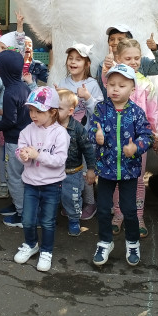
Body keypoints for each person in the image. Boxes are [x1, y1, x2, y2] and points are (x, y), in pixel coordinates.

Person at [88, 64, 153, 267]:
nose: (115, 89)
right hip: (105, 170)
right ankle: (105, 242)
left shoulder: (137, 112)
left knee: (129, 209)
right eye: (111, 84)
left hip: (129, 171)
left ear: (132, 89)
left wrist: (136, 147)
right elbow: (91, 130)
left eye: (122, 85)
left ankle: (132, 243)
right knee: (103, 208)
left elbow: (147, 136)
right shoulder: (100, 109)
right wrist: (96, 136)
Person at [101, 38, 158, 238]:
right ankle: (119, 214)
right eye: (128, 58)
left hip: (138, 142)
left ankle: (137, 216)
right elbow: (105, 80)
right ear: (118, 59)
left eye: (137, 58)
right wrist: (107, 67)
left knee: (138, 180)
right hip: (113, 140)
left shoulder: (145, 84)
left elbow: (153, 111)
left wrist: (157, 135)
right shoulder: (112, 80)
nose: (134, 62)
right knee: (116, 179)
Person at [13, 87, 69, 272]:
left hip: (52, 185)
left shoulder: (60, 133)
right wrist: (23, 155)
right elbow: (19, 150)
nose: (33, 115)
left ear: (52, 112)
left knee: (47, 221)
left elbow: (59, 160)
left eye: (38, 111)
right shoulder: (27, 130)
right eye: (31, 110)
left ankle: (46, 250)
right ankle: (31, 244)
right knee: (28, 220)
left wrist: (37, 155)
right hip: (30, 183)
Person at [57, 42, 104, 220]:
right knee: (67, 169)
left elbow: (99, 111)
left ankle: (90, 202)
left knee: (85, 171)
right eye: (70, 58)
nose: (73, 62)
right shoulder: (63, 82)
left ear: (87, 63)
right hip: (64, 136)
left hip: (86, 137)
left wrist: (88, 97)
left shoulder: (92, 84)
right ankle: (70, 201)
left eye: (78, 59)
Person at [0, 49, 32, 228]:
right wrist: (3, 112)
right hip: (26, 139)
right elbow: (21, 113)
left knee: (13, 176)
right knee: (23, 176)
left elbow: (11, 121)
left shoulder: (10, 92)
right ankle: (19, 203)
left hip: (14, 142)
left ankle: (22, 213)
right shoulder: (24, 87)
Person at [56, 89, 96, 236]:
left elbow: (88, 149)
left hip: (73, 172)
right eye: (53, 108)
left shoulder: (78, 129)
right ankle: (50, 218)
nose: (54, 112)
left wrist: (91, 169)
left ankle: (74, 220)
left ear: (70, 111)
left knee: (72, 197)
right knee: (53, 196)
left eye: (59, 109)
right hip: (54, 171)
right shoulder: (50, 126)